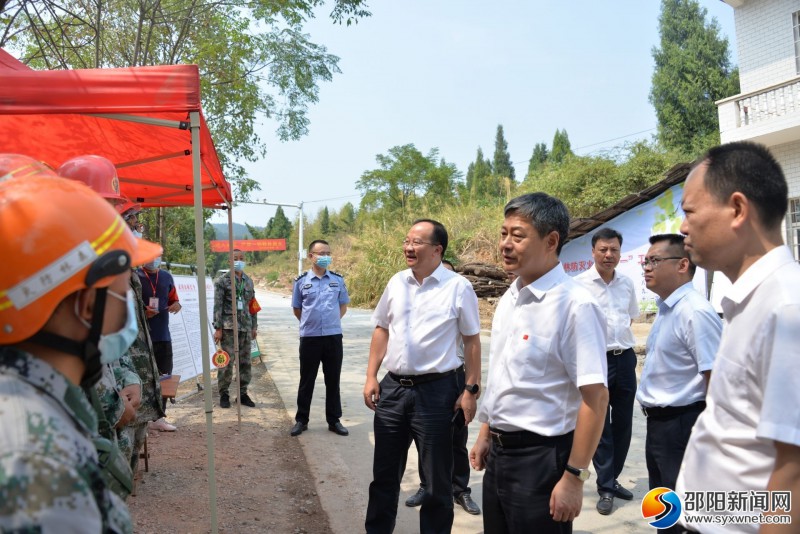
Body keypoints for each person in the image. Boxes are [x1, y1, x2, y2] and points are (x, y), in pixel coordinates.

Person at [0, 155, 161, 532]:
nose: (127, 305)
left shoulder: (34, 407)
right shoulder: (37, 462)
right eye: (120, 290)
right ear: (88, 305)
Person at [676, 142, 800, 532]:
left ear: (737, 209)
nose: (682, 227)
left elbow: (794, 471)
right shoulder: (749, 300)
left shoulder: (786, 308)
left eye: (690, 212)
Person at [470, 193, 608, 534]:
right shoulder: (510, 297)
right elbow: (504, 375)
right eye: (503, 234)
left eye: (517, 236)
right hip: (500, 457)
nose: (505, 244)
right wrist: (486, 431)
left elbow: (595, 398)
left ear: (551, 241)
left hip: (542, 461)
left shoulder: (575, 305)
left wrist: (575, 477)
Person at [363, 219, 482, 534]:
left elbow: (472, 340)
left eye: (416, 242)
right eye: (406, 240)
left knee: (436, 482)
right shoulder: (397, 282)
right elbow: (382, 328)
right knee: (384, 475)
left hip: (437, 392)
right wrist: (371, 375)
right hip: (392, 390)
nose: (408, 247)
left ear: (437, 249)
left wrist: (470, 390)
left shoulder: (458, 287)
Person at [58, 155, 166, 471]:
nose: (114, 218)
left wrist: (129, 378)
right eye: (105, 207)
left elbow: (112, 346)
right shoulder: (61, 273)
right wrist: (114, 404)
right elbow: (68, 356)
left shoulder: (98, 260)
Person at [636, 234, 721, 533]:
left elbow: (716, 380)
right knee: (664, 509)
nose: (647, 267)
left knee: (685, 516)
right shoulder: (667, 308)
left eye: (655, 261)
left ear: (683, 264)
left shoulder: (695, 311)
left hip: (683, 425)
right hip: (659, 425)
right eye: (646, 261)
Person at [405, 259, 481, 515]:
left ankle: (460, 489)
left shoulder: (461, 300)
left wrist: (471, 389)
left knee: (456, 438)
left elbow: (473, 345)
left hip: (458, 376)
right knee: (426, 440)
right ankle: (427, 485)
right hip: (431, 382)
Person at [574, 227, 640, 515]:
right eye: (603, 249)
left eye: (614, 250)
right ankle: (605, 486)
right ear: (593, 252)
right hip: (595, 362)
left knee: (624, 423)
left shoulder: (627, 283)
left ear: (620, 252)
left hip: (624, 358)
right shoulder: (578, 285)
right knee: (601, 426)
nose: (609, 255)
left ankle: (612, 478)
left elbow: (631, 318)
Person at [290, 239, 350, 437]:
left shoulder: (337, 280)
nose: (325, 257)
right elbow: (297, 309)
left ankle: (334, 420)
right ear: (311, 256)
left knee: (333, 380)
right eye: (321, 253)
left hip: (333, 337)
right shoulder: (301, 282)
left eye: (327, 253)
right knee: (307, 380)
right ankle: (301, 420)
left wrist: (330, 322)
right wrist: (312, 324)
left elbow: (342, 306)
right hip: (310, 338)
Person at [138, 255, 181, 431]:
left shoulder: (166, 277)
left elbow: (174, 300)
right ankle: (142, 419)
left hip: (163, 336)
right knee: (143, 378)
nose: (153, 260)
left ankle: (159, 418)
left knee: (164, 376)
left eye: (157, 257)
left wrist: (177, 305)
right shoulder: (135, 277)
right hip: (141, 338)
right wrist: (143, 311)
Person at [213, 249, 258, 408]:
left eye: (241, 258)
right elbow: (217, 306)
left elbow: (252, 305)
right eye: (235, 258)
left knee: (245, 362)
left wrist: (254, 326)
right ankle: (224, 394)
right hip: (228, 329)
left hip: (245, 328)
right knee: (226, 362)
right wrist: (218, 328)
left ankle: (242, 393)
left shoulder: (249, 281)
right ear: (229, 262)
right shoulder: (222, 281)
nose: (238, 261)